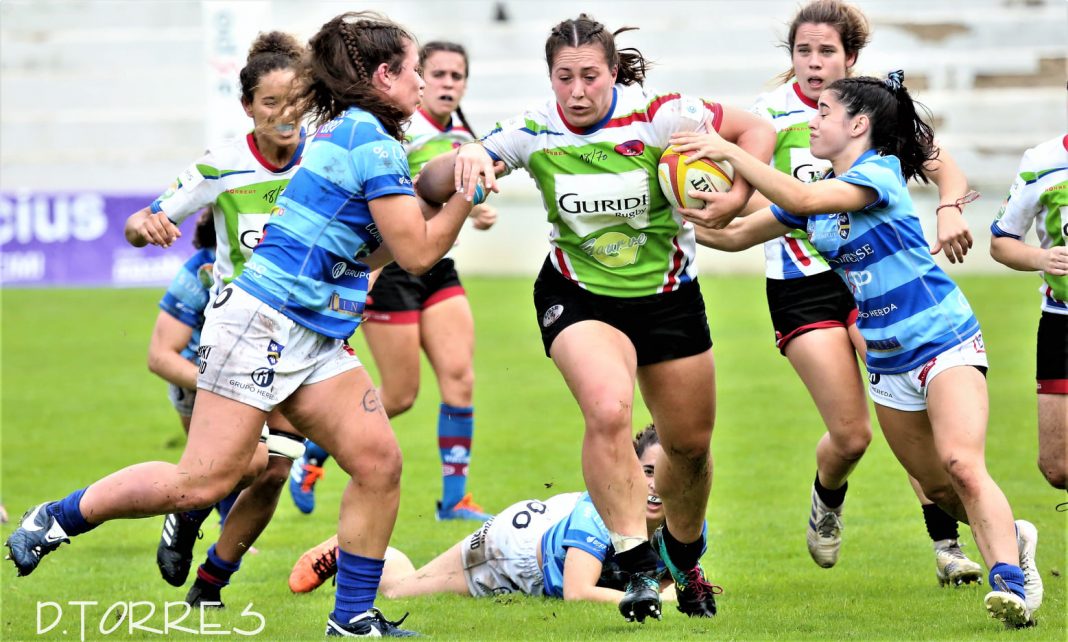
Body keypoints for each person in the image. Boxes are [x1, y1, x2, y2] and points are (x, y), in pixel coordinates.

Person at [6, 11, 481, 637]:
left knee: (377, 463)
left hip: (314, 332)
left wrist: (467, 163)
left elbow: (383, 244)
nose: (423, 82)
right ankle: (57, 517)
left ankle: (352, 617)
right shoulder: (363, 141)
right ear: (384, 75)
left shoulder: (358, 136)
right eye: (416, 69)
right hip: (263, 323)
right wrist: (467, 192)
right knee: (201, 483)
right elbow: (417, 254)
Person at [417, 14, 777, 622]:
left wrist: (736, 198)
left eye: (590, 76)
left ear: (613, 72)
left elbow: (757, 129)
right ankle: (634, 563)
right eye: (565, 77)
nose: (577, 91)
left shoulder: (660, 114)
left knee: (689, 448)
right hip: (578, 293)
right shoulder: (534, 128)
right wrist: (466, 155)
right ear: (549, 77)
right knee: (609, 409)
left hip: (667, 297)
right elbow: (430, 184)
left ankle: (683, 558)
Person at [671, 70, 1042, 627]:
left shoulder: (879, 173)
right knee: (940, 489)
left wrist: (729, 149)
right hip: (887, 361)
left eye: (823, 111)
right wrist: (671, 214)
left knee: (962, 464)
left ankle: (1010, 583)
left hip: (941, 337)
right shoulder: (819, 193)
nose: (812, 120)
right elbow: (734, 234)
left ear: (858, 124)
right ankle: (1013, 537)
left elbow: (799, 195)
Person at [718, 0, 980, 584]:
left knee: (915, 412)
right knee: (852, 435)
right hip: (800, 284)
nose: (813, 63)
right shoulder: (765, 117)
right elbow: (745, 198)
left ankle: (947, 545)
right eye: (803, 51)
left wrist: (949, 208)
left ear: (851, 57)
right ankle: (827, 497)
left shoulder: (871, 110)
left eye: (826, 51)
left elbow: (947, 170)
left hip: (873, 283)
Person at [127, 32, 310, 608]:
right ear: (248, 107)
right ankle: (183, 512)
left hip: (306, 335)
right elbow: (139, 222)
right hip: (241, 335)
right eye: (270, 103)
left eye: (295, 100)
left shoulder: (327, 158)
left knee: (276, 470)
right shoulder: (222, 165)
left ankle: (209, 585)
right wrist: (147, 226)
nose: (285, 114)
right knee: (248, 463)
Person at [289, 41, 497, 523]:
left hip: (438, 265)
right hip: (394, 268)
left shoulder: (463, 133)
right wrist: (367, 277)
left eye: (457, 76)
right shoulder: (400, 128)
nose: (446, 84)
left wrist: (475, 211)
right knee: (401, 394)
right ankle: (314, 452)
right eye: (437, 73)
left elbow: (441, 198)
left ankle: (454, 499)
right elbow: (384, 205)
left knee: (460, 379)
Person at [290, 425, 718, 612]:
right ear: (628, 470)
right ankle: (353, 550)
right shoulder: (598, 516)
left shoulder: (685, 525)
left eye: (664, 475)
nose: (655, 485)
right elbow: (577, 592)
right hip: (512, 551)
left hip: (553, 521)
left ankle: (360, 552)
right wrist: (663, 600)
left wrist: (669, 591)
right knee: (402, 592)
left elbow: (675, 580)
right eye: (646, 471)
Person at [990, 134, 1068, 492]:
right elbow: (1001, 242)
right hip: (1060, 319)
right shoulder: (1042, 162)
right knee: (1057, 466)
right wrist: (1042, 258)